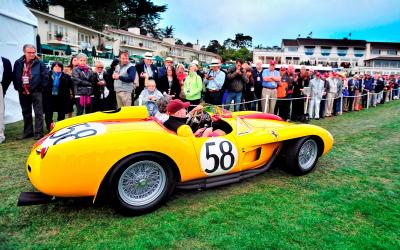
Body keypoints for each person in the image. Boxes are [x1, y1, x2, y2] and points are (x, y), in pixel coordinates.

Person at [13, 44, 49, 140]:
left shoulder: (39, 63)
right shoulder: (18, 62)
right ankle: (28, 132)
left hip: (36, 91)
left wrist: (41, 88)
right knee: (26, 112)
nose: (32, 54)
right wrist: (18, 87)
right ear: (24, 52)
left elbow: (46, 76)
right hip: (23, 91)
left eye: (33, 52)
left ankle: (38, 133)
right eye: (29, 52)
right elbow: (15, 75)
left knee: (38, 112)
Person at [43, 61, 73, 131]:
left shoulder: (66, 76)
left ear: (62, 68)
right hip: (49, 97)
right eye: (55, 66)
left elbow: (70, 87)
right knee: (48, 113)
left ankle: (59, 127)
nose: (57, 68)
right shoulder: (47, 75)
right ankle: (49, 127)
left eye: (59, 66)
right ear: (52, 67)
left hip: (61, 98)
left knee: (61, 113)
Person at [0, 56, 12, 143]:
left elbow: (8, 77)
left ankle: (0, 134)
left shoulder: (4, 61)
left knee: (0, 112)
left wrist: (3, 90)